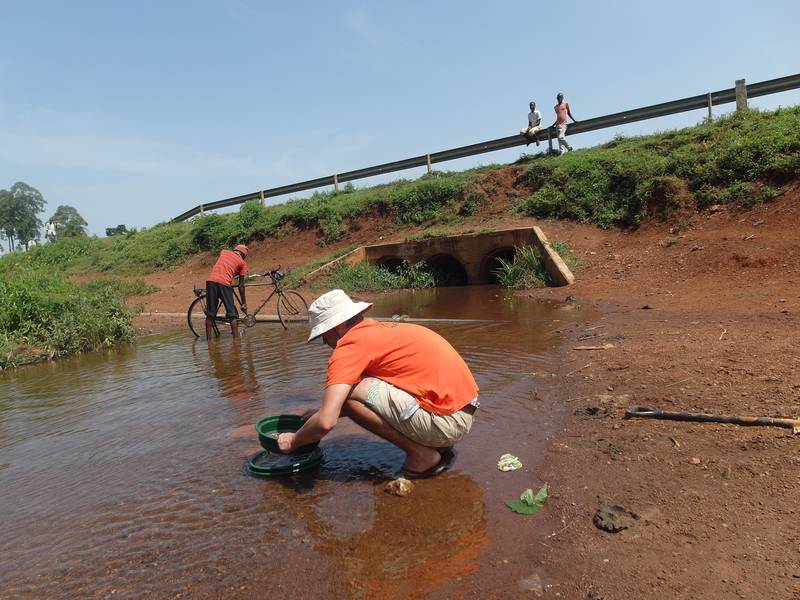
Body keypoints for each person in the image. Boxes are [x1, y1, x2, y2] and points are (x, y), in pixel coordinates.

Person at [277, 289, 480, 478]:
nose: (323, 342)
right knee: (353, 390)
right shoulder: (382, 331)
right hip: (462, 413)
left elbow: (325, 423)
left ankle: (422, 455)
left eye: (323, 334)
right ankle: (437, 447)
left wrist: (293, 441)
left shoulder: (349, 347)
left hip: (446, 423)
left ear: (338, 327)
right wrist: (320, 412)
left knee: (349, 392)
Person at [205, 244, 249, 339]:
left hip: (211, 281)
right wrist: (243, 303)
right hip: (224, 284)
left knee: (210, 315)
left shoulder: (224, 252)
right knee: (232, 315)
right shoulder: (242, 263)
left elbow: (225, 265)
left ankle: (209, 342)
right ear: (243, 255)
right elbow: (241, 285)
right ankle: (236, 342)